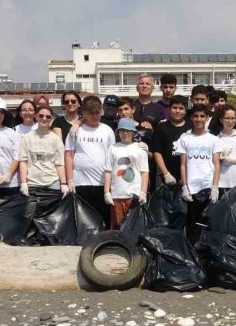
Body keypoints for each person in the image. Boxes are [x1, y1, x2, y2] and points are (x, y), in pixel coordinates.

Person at [66, 95, 115, 226]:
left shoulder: (108, 131)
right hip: (80, 182)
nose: (95, 116)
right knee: (83, 218)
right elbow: (69, 155)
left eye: (97, 113)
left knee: (103, 216)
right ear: (84, 113)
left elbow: (112, 158)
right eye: (91, 113)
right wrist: (69, 180)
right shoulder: (75, 131)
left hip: (102, 183)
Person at [177, 104, 221, 242]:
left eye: (202, 116)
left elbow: (217, 163)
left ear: (207, 118)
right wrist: (184, 186)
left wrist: (215, 187)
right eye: (196, 116)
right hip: (192, 188)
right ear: (191, 118)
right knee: (192, 224)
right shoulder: (185, 139)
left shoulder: (214, 139)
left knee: (207, 224)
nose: (199, 119)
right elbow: (183, 164)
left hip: (208, 186)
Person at [103, 118, 149, 230]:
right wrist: (106, 192)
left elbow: (144, 172)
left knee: (134, 226)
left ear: (133, 132)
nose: (125, 133)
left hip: (134, 194)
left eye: (128, 130)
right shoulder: (112, 148)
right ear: (118, 132)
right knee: (117, 226)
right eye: (122, 130)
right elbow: (107, 171)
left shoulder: (139, 149)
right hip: (117, 194)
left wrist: (143, 192)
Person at [18, 105, 68, 202]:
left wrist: (63, 183)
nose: (44, 119)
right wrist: (23, 183)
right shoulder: (27, 138)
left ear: (51, 119)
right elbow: (23, 161)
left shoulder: (56, 139)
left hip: (53, 184)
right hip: (32, 184)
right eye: (41, 116)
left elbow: (60, 164)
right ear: (36, 116)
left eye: (48, 117)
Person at [152, 95, 192, 187]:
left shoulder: (191, 127)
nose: (177, 111)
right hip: (166, 176)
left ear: (185, 110)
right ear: (169, 109)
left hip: (188, 177)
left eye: (181, 108)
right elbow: (157, 152)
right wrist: (166, 174)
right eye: (174, 108)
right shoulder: (161, 127)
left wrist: (186, 175)